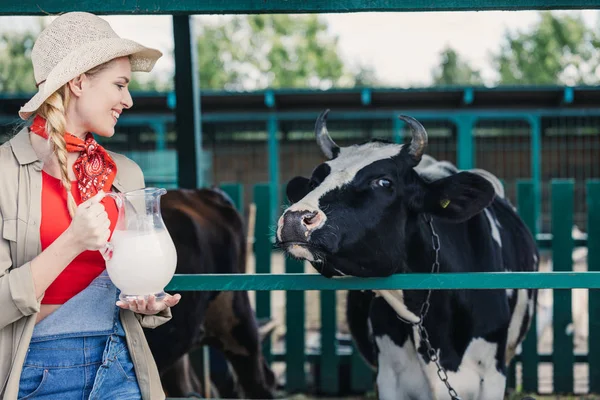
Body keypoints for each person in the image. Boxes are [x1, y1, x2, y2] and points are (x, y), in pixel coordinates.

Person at [0, 12, 181, 399]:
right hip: (34, 374)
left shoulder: (126, 174)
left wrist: (146, 300)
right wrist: (72, 241)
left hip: (119, 362)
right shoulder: (3, 174)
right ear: (79, 81)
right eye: (120, 84)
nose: (128, 100)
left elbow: (130, 284)